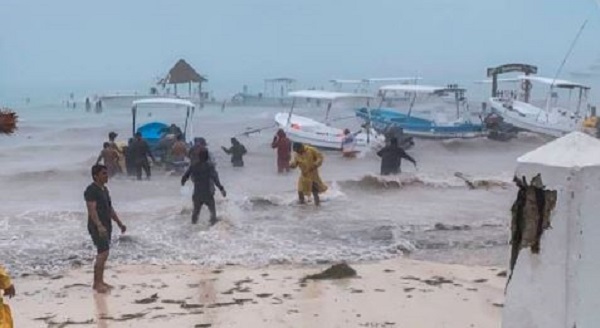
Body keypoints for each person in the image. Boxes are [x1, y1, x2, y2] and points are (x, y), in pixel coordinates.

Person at [84, 164, 127, 293]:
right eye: (103, 174)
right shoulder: (91, 190)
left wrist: (119, 223)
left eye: (106, 173)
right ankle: (97, 283)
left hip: (107, 224)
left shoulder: (104, 190)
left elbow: (109, 209)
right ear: (95, 176)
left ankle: (100, 281)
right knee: (103, 253)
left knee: (104, 252)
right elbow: (91, 210)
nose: (106, 176)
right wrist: (99, 225)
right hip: (97, 225)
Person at [181, 149, 227, 225]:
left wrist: (183, 182)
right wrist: (221, 189)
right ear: (207, 157)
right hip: (208, 193)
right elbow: (215, 179)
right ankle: (212, 230)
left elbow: (185, 176)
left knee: (195, 213)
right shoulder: (209, 166)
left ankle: (192, 228)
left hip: (197, 193)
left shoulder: (194, 166)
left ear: (199, 157)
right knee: (212, 214)